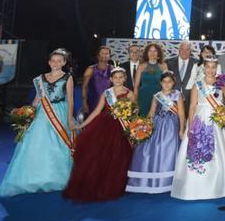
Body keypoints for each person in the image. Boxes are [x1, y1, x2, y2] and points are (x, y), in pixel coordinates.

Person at [0, 49, 75, 197]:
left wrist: (69, 119)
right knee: (35, 144)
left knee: (58, 146)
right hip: (42, 112)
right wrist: (28, 112)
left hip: (59, 112)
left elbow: (70, 100)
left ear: (64, 63)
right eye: (53, 61)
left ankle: (57, 178)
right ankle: (33, 178)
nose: (56, 63)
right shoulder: (40, 78)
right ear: (49, 62)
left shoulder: (68, 78)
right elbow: (37, 99)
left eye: (59, 61)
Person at [63, 67, 134, 202]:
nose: (118, 80)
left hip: (121, 128)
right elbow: (96, 112)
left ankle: (113, 184)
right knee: (98, 154)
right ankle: (97, 183)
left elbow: (133, 112)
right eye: (115, 77)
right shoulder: (106, 93)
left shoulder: (130, 94)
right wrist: (82, 125)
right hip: (104, 126)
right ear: (111, 79)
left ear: (125, 78)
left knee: (117, 157)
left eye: (121, 77)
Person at [171, 57, 225, 200]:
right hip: (202, 119)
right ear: (204, 68)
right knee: (200, 150)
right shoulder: (197, 84)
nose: (211, 70)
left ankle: (221, 185)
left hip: (218, 120)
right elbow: (193, 105)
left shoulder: (222, 83)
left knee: (221, 151)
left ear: (217, 68)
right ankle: (197, 186)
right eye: (208, 67)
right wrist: (190, 124)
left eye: (213, 67)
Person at [126, 70, 185, 194]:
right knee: (153, 148)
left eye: (169, 81)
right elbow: (151, 113)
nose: (167, 84)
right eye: (164, 82)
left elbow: (181, 114)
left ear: (173, 83)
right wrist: (143, 126)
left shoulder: (177, 95)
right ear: (160, 82)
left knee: (169, 149)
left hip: (171, 126)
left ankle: (169, 180)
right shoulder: (157, 96)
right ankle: (154, 177)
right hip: (158, 125)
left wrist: (181, 129)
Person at [135, 43, 168, 115]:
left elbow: (167, 84)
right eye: (150, 51)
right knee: (143, 121)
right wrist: (135, 101)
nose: (152, 53)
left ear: (158, 53)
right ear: (147, 53)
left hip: (159, 97)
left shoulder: (163, 66)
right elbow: (136, 86)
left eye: (155, 51)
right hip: (143, 96)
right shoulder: (141, 66)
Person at [81, 46, 112, 116]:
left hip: (108, 103)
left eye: (107, 53)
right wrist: (84, 102)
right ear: (98, 55)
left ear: (110, 56)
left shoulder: (113, 69)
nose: (104, 55)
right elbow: (84, 87)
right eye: (102, 53)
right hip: (92, 102)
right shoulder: (90, 69)